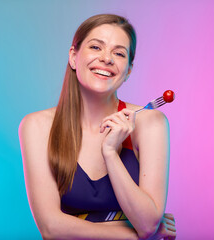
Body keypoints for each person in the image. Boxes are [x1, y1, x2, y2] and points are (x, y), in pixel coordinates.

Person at [19, 14, 176, 240]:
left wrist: (111, 153)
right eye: (96, 47)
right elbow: (51, 229)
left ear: (129, 70)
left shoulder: (150, 123)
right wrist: (134, 235)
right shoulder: (37, 126)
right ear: (73, 57)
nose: (107, 58)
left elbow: (147, 222)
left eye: (119, 53)